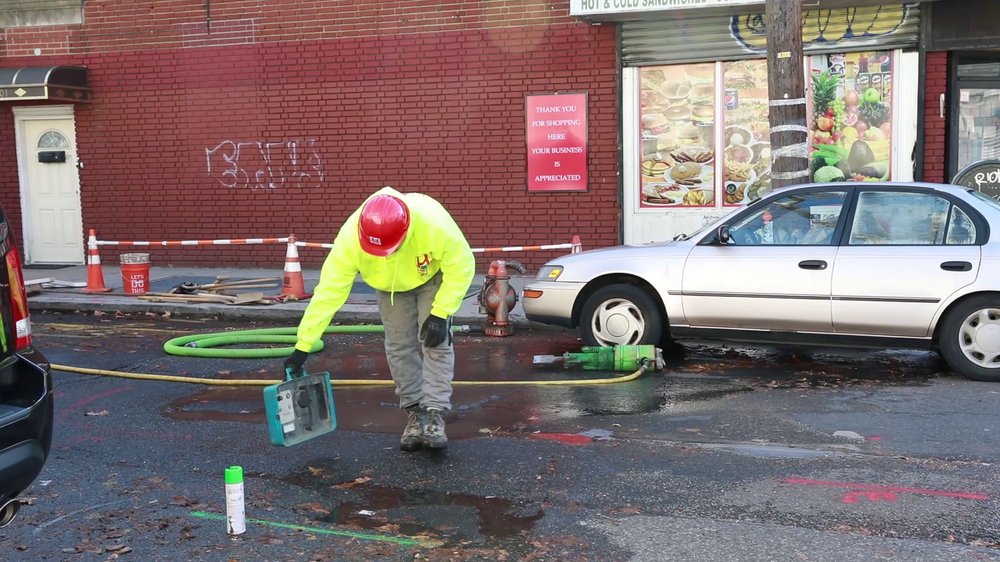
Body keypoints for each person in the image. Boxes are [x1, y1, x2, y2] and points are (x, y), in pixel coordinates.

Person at [284, 186, 475, 452]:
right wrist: (304, 344)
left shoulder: (433, 223)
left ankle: (434, 414)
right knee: (398, 346)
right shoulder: (350, 238)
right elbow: (329, 292)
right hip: (389, 287)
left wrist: (441, 313)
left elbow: (462, 265)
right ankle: (415, 412)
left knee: (435, 343)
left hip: (431, 277)